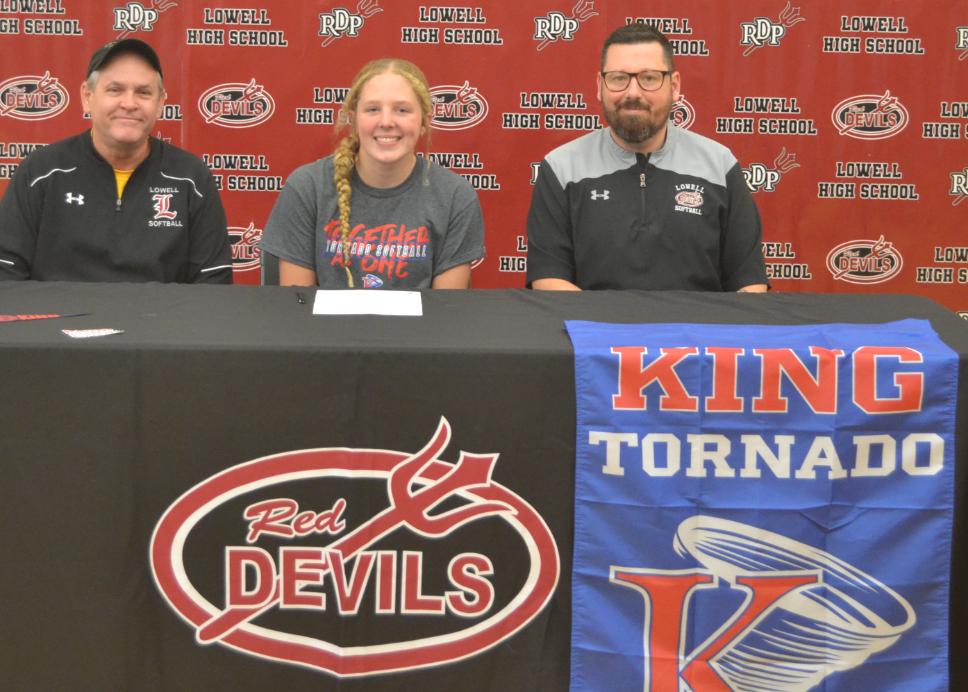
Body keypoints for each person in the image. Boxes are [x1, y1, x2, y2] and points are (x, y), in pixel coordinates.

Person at [526, 24, 768, 293]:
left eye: (649, 78)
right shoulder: (561, 168)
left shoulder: (720, 165)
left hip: (698, 323)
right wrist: (606, 321)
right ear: (599, 86)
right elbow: (548, 279)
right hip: (592, 322)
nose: (633, 93)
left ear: (674, 86)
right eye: (618, 78)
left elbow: (749, 282)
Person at [0, 39, 232, 283]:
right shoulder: (40, 172)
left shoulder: (191, 178)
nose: (129, 104)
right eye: (115, 89)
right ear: (87, 96)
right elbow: (6, 276)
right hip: (61, 310)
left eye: (143, 92)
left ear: (160, 103)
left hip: (159, 311)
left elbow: (214, 284)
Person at [260, 59, 485, 289]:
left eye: (402, 110)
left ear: (425, 121)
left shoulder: (455, 197)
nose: (386, 122)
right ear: (354, 119)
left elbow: (446, 307)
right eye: (373, 109)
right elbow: (298, 304)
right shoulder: (307, 188)